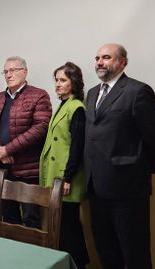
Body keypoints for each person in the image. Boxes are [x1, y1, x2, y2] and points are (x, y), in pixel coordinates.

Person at [84, 43, 155, 269]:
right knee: (106, 249)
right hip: (96, 187)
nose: (100, 62)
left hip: (127, 189)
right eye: (97, 57)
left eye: (106, 57)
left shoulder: (137, 91)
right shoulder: (92, 93)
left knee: (134, 252)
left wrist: (138, 170)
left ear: (123, 62)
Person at [0, 56, 52, 228]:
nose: (8, 74)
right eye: (5, 71)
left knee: (31, 218)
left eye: (13, 70)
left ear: (25, 71)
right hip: (1, 166)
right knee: (7, 217)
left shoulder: (39, 95)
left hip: (28, 169)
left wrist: (8, 149)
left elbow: (40, 127)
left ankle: (32, 255)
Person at [39, 62, 89, 268]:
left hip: (66, 178)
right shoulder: (63, 104)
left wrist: (68, 177)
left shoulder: (77, 107)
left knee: (69, 227)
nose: (57, 85)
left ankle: (79, 264)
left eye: (63, 80)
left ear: (74, 83)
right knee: (60, 226)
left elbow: (77, 146)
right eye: (56, 80)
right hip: (55, 175)